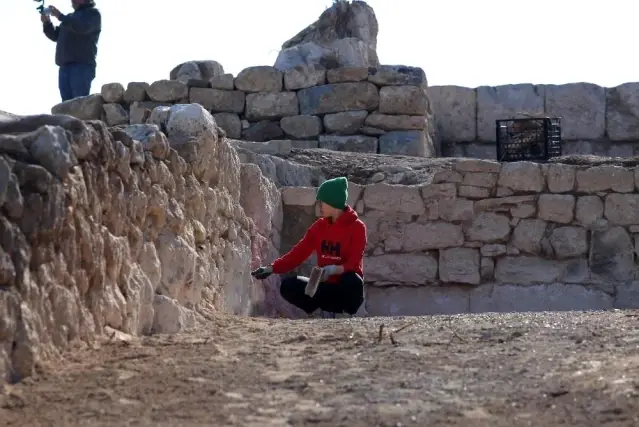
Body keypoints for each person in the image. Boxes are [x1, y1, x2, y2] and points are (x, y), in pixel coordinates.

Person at [252, 176, 367, 316]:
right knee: (289, 286)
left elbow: (354, 263)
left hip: (344, 289)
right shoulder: (319, 227)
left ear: (333, 202)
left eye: (322, 202)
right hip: (324, 287)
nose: (320, 206)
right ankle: (317, 312)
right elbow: (299, 252)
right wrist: (272, 268)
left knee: (353, 281)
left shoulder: (357, 227)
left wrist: (333, 270)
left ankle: (345, 314)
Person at [41, 1, 102, 102]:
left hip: (82, 66)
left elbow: (81, 28)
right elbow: (56, 36)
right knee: (66, 107)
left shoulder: (93, 14)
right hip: (64, 67)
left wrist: (60, 16)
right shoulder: (70, 17)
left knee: (79, 104)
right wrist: (47, 23)